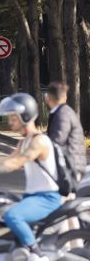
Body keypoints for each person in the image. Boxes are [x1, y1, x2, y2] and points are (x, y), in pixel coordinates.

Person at [0, 93, 61, 260]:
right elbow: (7, 159)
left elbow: (15, 163)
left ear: (25, 116)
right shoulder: (24, 141)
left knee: (13, 215)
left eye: (14, 118)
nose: (10, 122)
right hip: (31, 196)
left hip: (47, 198)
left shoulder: (39, 141)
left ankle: (37, 253)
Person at [44, 82, 87, 240]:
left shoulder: (62, 113)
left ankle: (63, 245)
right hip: (70, 165)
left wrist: (40, 146)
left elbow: (57, 139)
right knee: (67, 209)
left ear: (48, 98)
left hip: (69, 167)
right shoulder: (64, 111)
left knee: (61, 207)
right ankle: (72, 246)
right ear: (65, 96)